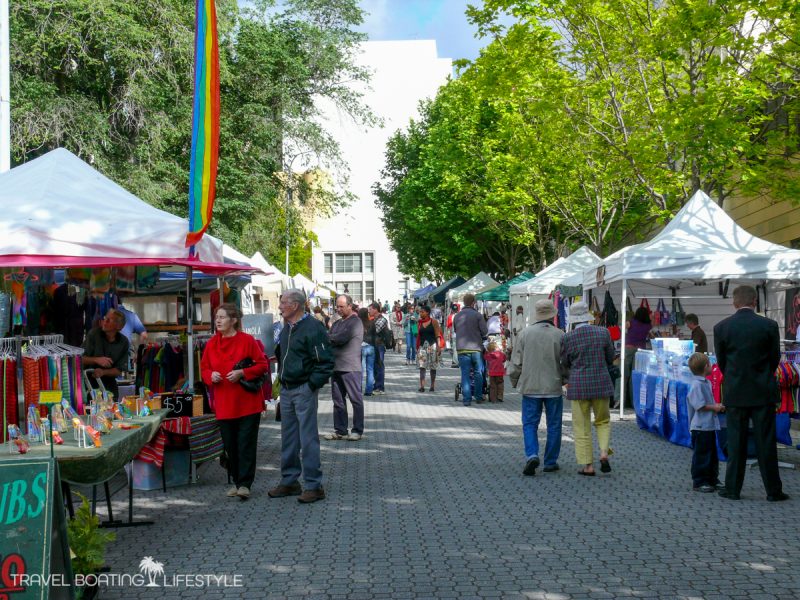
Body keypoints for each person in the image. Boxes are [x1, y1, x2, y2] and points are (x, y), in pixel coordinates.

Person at [713, 285, 787, 501]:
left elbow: (722, 362)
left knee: (736, 441)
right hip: (762, 390)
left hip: (736, 391)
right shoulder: (769, 325)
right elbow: (775, 358)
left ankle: (733, 489)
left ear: (734, 303)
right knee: (766, 441)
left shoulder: (722, 328)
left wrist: (735, 378)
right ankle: (773, 491)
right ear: (755, 301)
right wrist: (763, 374)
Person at [268, 289, 335, 504]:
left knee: (307, 439)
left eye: (283, 303)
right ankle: (290, 481)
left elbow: (325, 362)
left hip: (303, 389)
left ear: (295, 305)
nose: (280, 307)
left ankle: (314, 485)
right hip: (287, 389)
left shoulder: (313, 328)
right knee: (288, 438)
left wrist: (311, 386)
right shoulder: (288, 327)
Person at [200, 303, 269, 500]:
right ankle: (237, 481)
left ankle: (245, 484)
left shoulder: (247, 340)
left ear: (234, 320)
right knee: (230, 446)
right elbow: (204, 369)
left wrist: (242, 373)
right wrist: (210, 375)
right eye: (216, 318)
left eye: (222, 317)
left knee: (245, 444)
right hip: (223, 403)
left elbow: (263, 365)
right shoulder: (212, 343)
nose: (218, 321)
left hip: (247, 402)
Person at [509, 299, 565, 476]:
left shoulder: (525, 334)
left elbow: (516, 361)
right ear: (553, 315)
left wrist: (515, 380)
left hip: (531, 385)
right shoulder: (560, 335)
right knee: (554, 424)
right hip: (553, 385)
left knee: (530, 423)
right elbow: (565, 363)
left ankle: (532, 454)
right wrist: (565, 379)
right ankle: (550, 461)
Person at [561, 301, 615, 476]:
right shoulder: (603, 333)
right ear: (588, 316)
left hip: (578, 386)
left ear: (574, 319)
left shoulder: (568, 337)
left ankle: (588, 466)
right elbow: (610, 357)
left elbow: (565, 362)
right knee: (603, 421)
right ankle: (604, 453)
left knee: (581, 426)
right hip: (601, 383)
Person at [325, 295, 365, 442]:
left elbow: (338, 338)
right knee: (338, 401)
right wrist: (331, 337)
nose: (339, 309)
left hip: (351, 367)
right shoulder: (337, 323)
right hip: (336, 367)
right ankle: (340, 430)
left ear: (350, 306)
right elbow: (330, 337)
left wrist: (330, 337)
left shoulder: (355, 322)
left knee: (356, 400)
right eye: (338, 306)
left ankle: (357, 430)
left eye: (342, 306)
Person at [686, 353, 724, 493]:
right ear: (706, 366)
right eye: (709, 363)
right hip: (700, 427)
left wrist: (715, 405)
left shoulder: (704, 382)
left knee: (711, 454)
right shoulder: (697, 385)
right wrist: (715, 407)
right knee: (702, 455)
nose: (712, 365)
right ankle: (699, 481)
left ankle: (712, 478)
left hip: (708, 425)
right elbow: (699, 405)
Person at [83, 308, 130, 401]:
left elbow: (119, 370)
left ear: (119, 326)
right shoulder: (94, 334)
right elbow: (79, 359)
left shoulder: (123, 342)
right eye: (105, 318)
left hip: (110, 388)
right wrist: (96, 359)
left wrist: (103, 372)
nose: (104, 322)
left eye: (109, 320)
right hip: (89, 386)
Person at [453, 293, 488, 406]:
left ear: (464, 302)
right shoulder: (478, 315)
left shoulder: (457, 316)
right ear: (473, 302)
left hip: (462, 349)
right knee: (478, 373)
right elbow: (485, 331)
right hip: (476, 349)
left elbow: (456, 330)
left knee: (465, 374)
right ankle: (478, 397)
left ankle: (467, 399)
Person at [622, 306, 654, 408]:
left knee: (623, 375)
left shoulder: (630, 322)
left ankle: (621, 400)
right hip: (640, 351)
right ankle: (633, 402)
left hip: (628, 349)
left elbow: (622, 328)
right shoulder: (648, 326)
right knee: (634, 377)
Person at [416, 305, 442, 392]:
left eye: (422, 312)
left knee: (433, 367)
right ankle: (422, 386)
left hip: (432, 346)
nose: (420, 313)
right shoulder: (419, 323)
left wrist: (439, 346)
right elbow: (418, 336)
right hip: (422, 347)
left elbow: (438, 334)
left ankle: (432, 386)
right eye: (420, 312)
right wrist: (417, 347)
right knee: (422, 366)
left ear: (427, 312)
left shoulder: (434, 322)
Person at [369, 302, 390, 395]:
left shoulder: (382, 319)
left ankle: (380, 387)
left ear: (375, 309)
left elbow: (374, 330)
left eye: (370, 309)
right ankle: (376, 385)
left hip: (379, 345)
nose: (369, 311)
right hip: (373, 345)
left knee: (379, 366)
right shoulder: (372, 319)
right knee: (374, 366)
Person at [359, 308, 376, 396]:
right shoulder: (372, 323)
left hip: (360, 347)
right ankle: (369, 390)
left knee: (360, 370)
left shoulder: (358, 324)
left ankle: (358, 390)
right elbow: (374, 336)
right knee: (370, 370)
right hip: (370, 346)